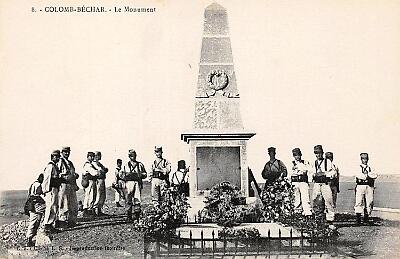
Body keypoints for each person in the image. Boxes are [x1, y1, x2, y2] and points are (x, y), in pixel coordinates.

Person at [311, 145, 336, 228]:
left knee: (329, 201)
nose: (318, 155)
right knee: (316, 201)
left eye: (319, 153)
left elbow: (333, 173)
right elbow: (310, 173)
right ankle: (319, 221)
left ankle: (330, 221)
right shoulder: (314, 163)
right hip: (317, 184)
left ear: (322, 153)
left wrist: (324, 173)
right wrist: (314, 175)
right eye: (316, 153)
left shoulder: (327, 162)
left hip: (325, 184)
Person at [121, 149, 147, 221]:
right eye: (131, 156)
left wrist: (140, 175)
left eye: (134, 155)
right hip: (129, 183)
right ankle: (129, 215)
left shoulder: (140, 164)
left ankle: (137, 215)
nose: (133, 157)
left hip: (137, 183)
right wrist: (126, 175)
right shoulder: (126, 165)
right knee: (128, 199)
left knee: (137, 199)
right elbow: (121, 174)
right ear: (129, 156)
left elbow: (145, 174)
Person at [57, 146, 79, 228]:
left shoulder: (70, 163)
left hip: (71, 185)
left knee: (73, 204)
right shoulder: (60, 162)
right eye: (65, 152)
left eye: (68, 152)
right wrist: (64, 177)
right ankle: (62, 222)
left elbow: (73, 173)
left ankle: (72, 221)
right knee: (64, 204)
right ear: (62, 152)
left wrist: (74, 176)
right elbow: (57, 174)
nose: (67, 153)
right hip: (63, 185)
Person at [42, 150, 62, 234]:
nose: (57, 158)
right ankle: (47, 225)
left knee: (54, 206)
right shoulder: (50, 166)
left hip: (55, 188)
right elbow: (47, 179)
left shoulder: (55, 166)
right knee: (50, 206)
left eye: (58, 156)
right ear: (52, 157)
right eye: (55, 156)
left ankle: (50, 224)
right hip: (51, 189)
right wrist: (46, 190)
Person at [354, 153, 378, 225]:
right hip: (360, 186)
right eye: (363, 158)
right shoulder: (358, 167)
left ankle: (366, 218)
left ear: (368, 159)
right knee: (359, 201)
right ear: (361, 159)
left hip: (369, 186)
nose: (365, 160)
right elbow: (359, 176)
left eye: (366, 158)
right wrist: (367, 176)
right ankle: (358, 219)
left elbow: (375, 175)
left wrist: (367, 175)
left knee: (369, 201)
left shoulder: (370, 168)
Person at [289, 148, 312, 217]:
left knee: (305, 198)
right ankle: (297, 213)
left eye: (298, 155)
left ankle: (308, 213)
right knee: (296, 198)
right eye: (295, 155)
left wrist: (299, 169)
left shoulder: (305, 162)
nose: (297, 157)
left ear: (301, 155)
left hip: (303, 181)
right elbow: (290, 173)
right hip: (295, 182)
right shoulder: (292, 163)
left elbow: (308, 170)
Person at [25, 173, 46, 247]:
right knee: (34, 222)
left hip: (32, 204)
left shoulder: (33, 184)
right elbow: (38, 194)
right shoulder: (38, 185)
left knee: (33, 222)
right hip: (36, 204)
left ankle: (30, 239)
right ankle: (29, 239)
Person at [92, 151, 108, 216]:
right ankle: (93, 210)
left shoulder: (99, 163)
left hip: (102, 180)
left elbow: (104, 169)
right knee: (97, 195)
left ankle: (99, 210)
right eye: (99, 155)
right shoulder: (93, 163)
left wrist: (103, 170)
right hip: (98, 180)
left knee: (102, 195)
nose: (100, 156)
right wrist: (102, 171)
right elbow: (100, 171)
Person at [82, 152, 98, 216]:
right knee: (90, 195)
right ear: (87, 157)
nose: (91, 158)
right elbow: (94, 173)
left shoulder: (91, 164)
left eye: (92, 156)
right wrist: (98, 172)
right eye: (90, 156)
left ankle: (89, 209)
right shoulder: (88, 165)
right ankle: (87, 210)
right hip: (89, 181)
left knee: (90, 195)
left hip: (91, 180)